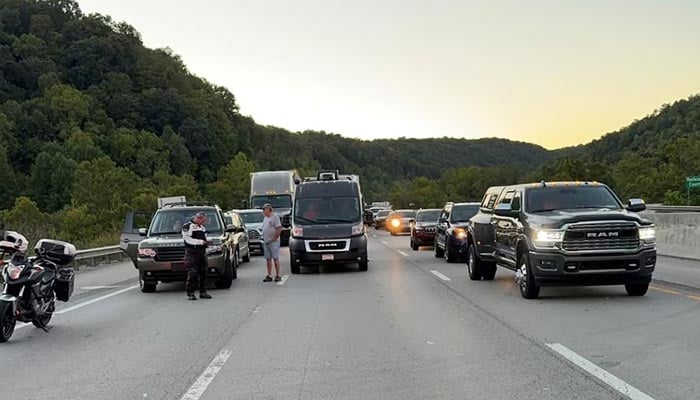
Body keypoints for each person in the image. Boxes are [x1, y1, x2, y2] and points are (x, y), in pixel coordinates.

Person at [182, 211, 212, 300]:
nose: (204, 223)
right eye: (203, 221)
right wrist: (201, 242)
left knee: (204, 272)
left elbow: (204, 238)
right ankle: (190, 292)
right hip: (192, 252)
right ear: (198, 218)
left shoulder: (202, 228)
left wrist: (207, 243)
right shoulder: (188, 226)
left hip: (201, 252)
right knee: (193, 272)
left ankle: (203, 292)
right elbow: (188, 239)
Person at [261, 204, 283, 282]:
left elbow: (279, 228)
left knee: (275, 257)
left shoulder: (274, 217)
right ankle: (269, 275)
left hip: (273, 241)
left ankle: (278, 275)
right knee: (268, 258)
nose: (263, 211)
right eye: (263, 209)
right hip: (266, 241)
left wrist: (275, 237)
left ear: (269, 209)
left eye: (265, 209)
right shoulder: (265, 218)